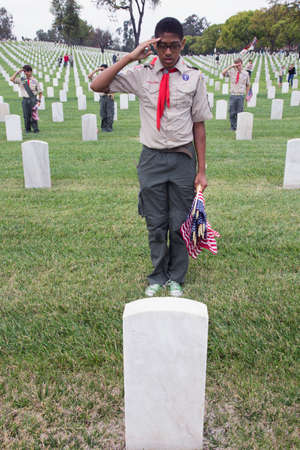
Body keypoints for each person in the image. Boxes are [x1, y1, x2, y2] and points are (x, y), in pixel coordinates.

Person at [90, 17, 212, 297]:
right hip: (152, 160)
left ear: (182, 45)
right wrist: (131, 56)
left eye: (174, 46)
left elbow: (199, 126)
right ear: (154, 45)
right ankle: (157, 275)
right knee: (155, 223)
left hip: (182, 159)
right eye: (162, 46)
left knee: (180, 223)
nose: (168, 53)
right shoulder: (141, 74)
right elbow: (98, 85)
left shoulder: (193, 77)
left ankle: (177, 277)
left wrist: (201, 170)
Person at [10, 64, 42, 133]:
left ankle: (35, 129)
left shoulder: (35, 81)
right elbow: (11, 79)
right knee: (26, 115)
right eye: (24, 72)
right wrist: (18, 72)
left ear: (31, 72)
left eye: (27, 71)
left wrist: (39, 101)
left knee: (33, 115)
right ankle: (28, 129)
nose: (26, 73)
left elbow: (40, 92)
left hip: (33, 99)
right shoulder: (22, 80)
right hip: (25, 100)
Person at [222, 58, 250, 131]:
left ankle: (239, 127)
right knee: (232, 113)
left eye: (239, 65)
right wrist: (231, 66)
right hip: (233, 94)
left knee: (240, 113)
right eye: (236, 65)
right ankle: (233, 127)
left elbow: (248, 85)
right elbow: (223, 73)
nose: (238, 67)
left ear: (242, 64)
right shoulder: (231, 72)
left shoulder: (246, 73)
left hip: (240, 95)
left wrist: (247, 95)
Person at [88, 64, 115, 132]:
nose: (102, 71)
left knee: (110, 113)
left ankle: (109, 128)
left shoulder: (110, 77)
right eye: (101, 70)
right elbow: (89, 76)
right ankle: (103, 128)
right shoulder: (98, 77)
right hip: (102, 97)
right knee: (103, 113)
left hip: (109, 96)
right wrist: (97, 70)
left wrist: (112, 94)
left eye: (103, 69)